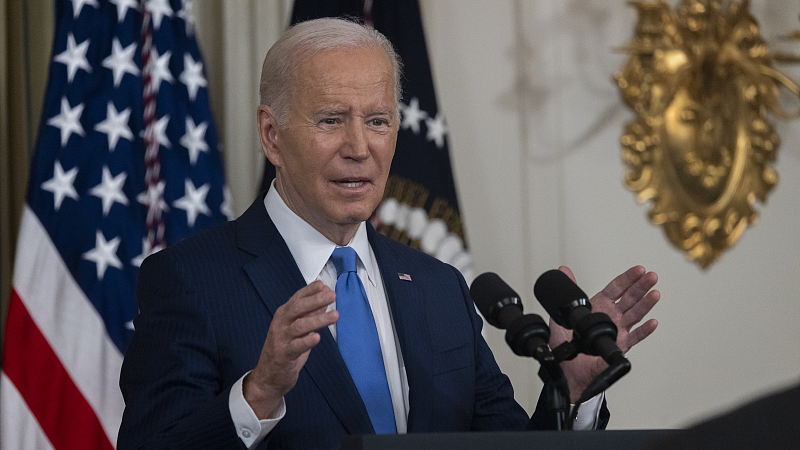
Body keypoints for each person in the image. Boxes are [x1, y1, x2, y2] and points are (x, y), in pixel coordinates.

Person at [118, 17, 660, 450]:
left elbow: (507, 446)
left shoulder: (440, 288)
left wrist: (573, 388)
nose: (360, 147)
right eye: (331, 120)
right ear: (271, 134)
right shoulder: (191, 280)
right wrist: (257, 395)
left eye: (377, 121)